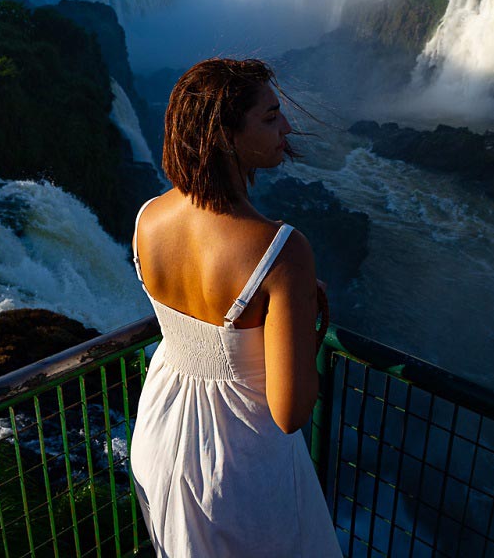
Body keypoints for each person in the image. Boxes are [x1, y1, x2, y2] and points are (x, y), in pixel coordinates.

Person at [129, 58, 341, 557]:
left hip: (160, 435)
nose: (286, 127)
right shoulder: (282, 251)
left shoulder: (148, 218)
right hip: (239, 468)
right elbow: (290, 413)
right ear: (224, 135)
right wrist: (309, 318)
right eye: (270, 117)